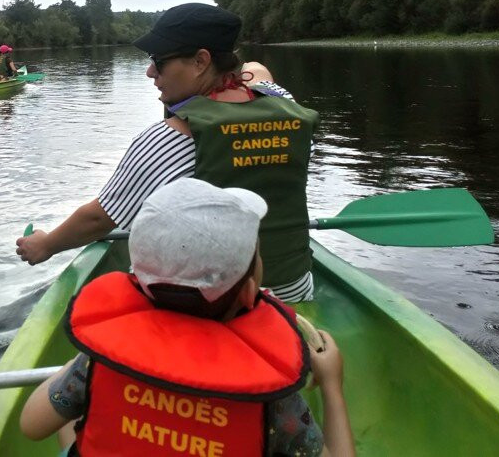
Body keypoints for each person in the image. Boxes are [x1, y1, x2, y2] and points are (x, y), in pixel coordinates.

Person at [19, 178, 355, 457]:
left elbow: (32, 425)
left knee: (74, 413)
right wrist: (331, 386)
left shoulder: (99, 360)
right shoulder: (272, 394)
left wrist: (93, 352)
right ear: (249, 290)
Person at [16, 2, 320, 302]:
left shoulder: (168, 139)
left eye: (159, 60)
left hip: (212, 306)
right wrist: (244, 71)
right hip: (291, 291)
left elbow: (98, 219)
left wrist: (45, 245)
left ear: (201, 61)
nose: (150, 72)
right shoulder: (286, 105)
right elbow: (258, 71)